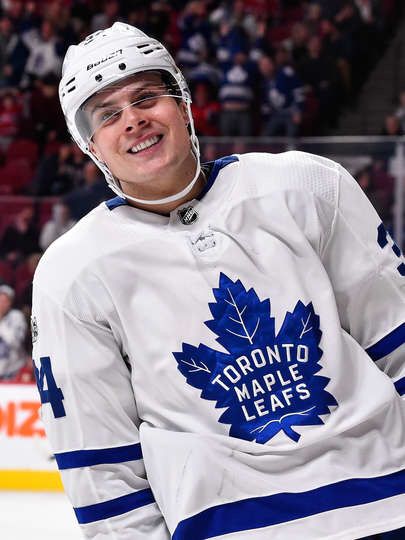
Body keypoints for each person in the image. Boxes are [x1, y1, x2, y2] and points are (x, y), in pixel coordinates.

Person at [32, 22, 405, 540]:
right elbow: (99, 461)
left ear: (184, 104)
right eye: (108, 115)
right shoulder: (73, 273)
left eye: (147, 98)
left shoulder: (306, 185)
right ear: (91, 145)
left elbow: (397, 342)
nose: (133, 120)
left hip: (387, 504)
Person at [0, 284, 27, 380]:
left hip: (14, 373)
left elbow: (16, 343)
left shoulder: (17, 317)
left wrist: (1, 321)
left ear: (10, 303)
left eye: (5, 301)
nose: (1, 304)